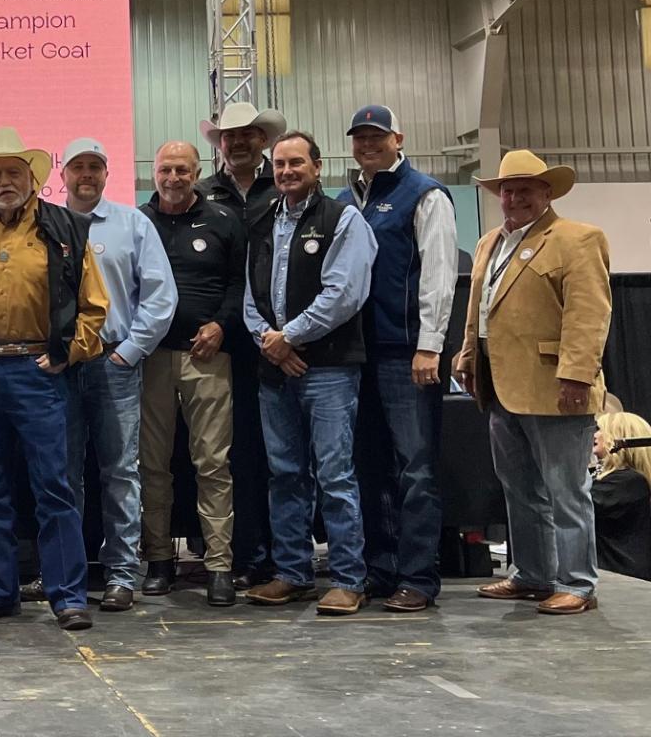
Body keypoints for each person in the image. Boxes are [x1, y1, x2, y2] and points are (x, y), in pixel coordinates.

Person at [0, 127, 109, 632]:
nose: (4, 181)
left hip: (40, 371)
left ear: (34, 178)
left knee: (53, 487)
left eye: (14, 172)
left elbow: (94, 305)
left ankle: (68, 595)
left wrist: (68, 353)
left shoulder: (64, 228)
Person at [453, 150, 612, 615]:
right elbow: (478, 310)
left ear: (547, 192)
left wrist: (578, 375)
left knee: (566, 490)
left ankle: (578, 583)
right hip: (500, 385)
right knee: (518, 487)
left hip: (556, 385)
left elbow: (589, 314)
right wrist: (467, 357)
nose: (514, 197)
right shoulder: (488, 243)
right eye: (507, 189)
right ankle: (533, 575)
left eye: (525, 189)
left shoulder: (577, 239)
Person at [24, 138, 174, 613]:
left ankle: (122, 575)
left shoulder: (133, 223)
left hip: (113, 364)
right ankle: (61, 572)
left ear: (107, 174)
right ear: (61, 174)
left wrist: (129, 352)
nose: (85, 175)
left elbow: (159, 295)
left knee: (119, 472)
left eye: (94, 167)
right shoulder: (41, 224)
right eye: (76, 168)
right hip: (58, 368)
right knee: (61, 473)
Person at [242, 131, 378, 616]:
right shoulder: (262, 222)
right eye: (278, 165)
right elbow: (251, 298)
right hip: (276, 370)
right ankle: (293, 573)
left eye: (296, 163)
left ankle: (347, 578)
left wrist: (290, 337)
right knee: (284, 476)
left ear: (317, 167)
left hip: (330, 372)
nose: (286, 172)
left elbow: (345, 294)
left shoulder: (344, 220)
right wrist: (271, 344)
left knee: (335, 475)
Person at [336, 106, 457, 613]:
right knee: (369, 468)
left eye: (376, 136)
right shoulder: (346, 199)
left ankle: (419, 577)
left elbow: (440, 272)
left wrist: (430, 344)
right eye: (360, 137)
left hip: (407, 353)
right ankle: (380, 568)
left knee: (416, 468)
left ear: (397, 139)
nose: (367, 144)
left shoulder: (425, 194)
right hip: (354, 355)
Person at [138, 141, 245, 608]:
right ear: (154, 174)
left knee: (213, 465)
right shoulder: (139, 222)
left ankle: (219, 565)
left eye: (183, 170)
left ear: (198, 173)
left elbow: (241, 282)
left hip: (209, 358)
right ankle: (159, 561)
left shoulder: (223, 220)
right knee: (152, 466)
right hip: (153, 358)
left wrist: (222, 325)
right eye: (166, 170)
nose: (174, 178)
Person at [198, 101, 286, 590]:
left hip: (281, 339)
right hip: (223, 341)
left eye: (247, 135)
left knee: (279, 451)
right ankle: (237, 551)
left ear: (262, 142)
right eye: (229, 137)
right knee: (228, 452)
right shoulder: (202, 194)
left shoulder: (288, 189)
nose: (238, 144)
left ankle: (279, 552)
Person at [591, 411, 651, 582]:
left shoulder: (628, 481)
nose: (594, 435)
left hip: (621, 578)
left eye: (600, 429)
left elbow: (579, 506)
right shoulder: (615, 479)